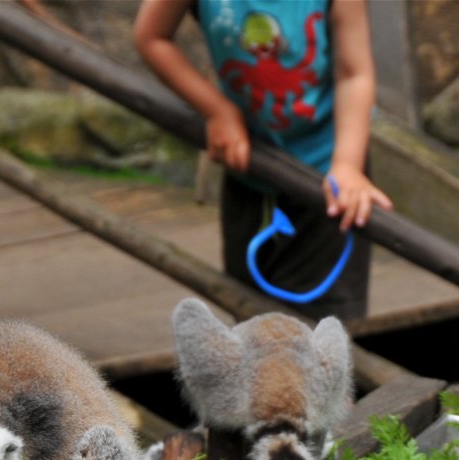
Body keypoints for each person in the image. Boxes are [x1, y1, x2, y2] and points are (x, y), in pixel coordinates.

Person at [134, 0, 391, 322]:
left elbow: (354, 74)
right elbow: (152, 37)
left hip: (329, 168)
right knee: (249, 309)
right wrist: (216, 110)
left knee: (326, 319)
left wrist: (348, 166)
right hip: (249, 165)